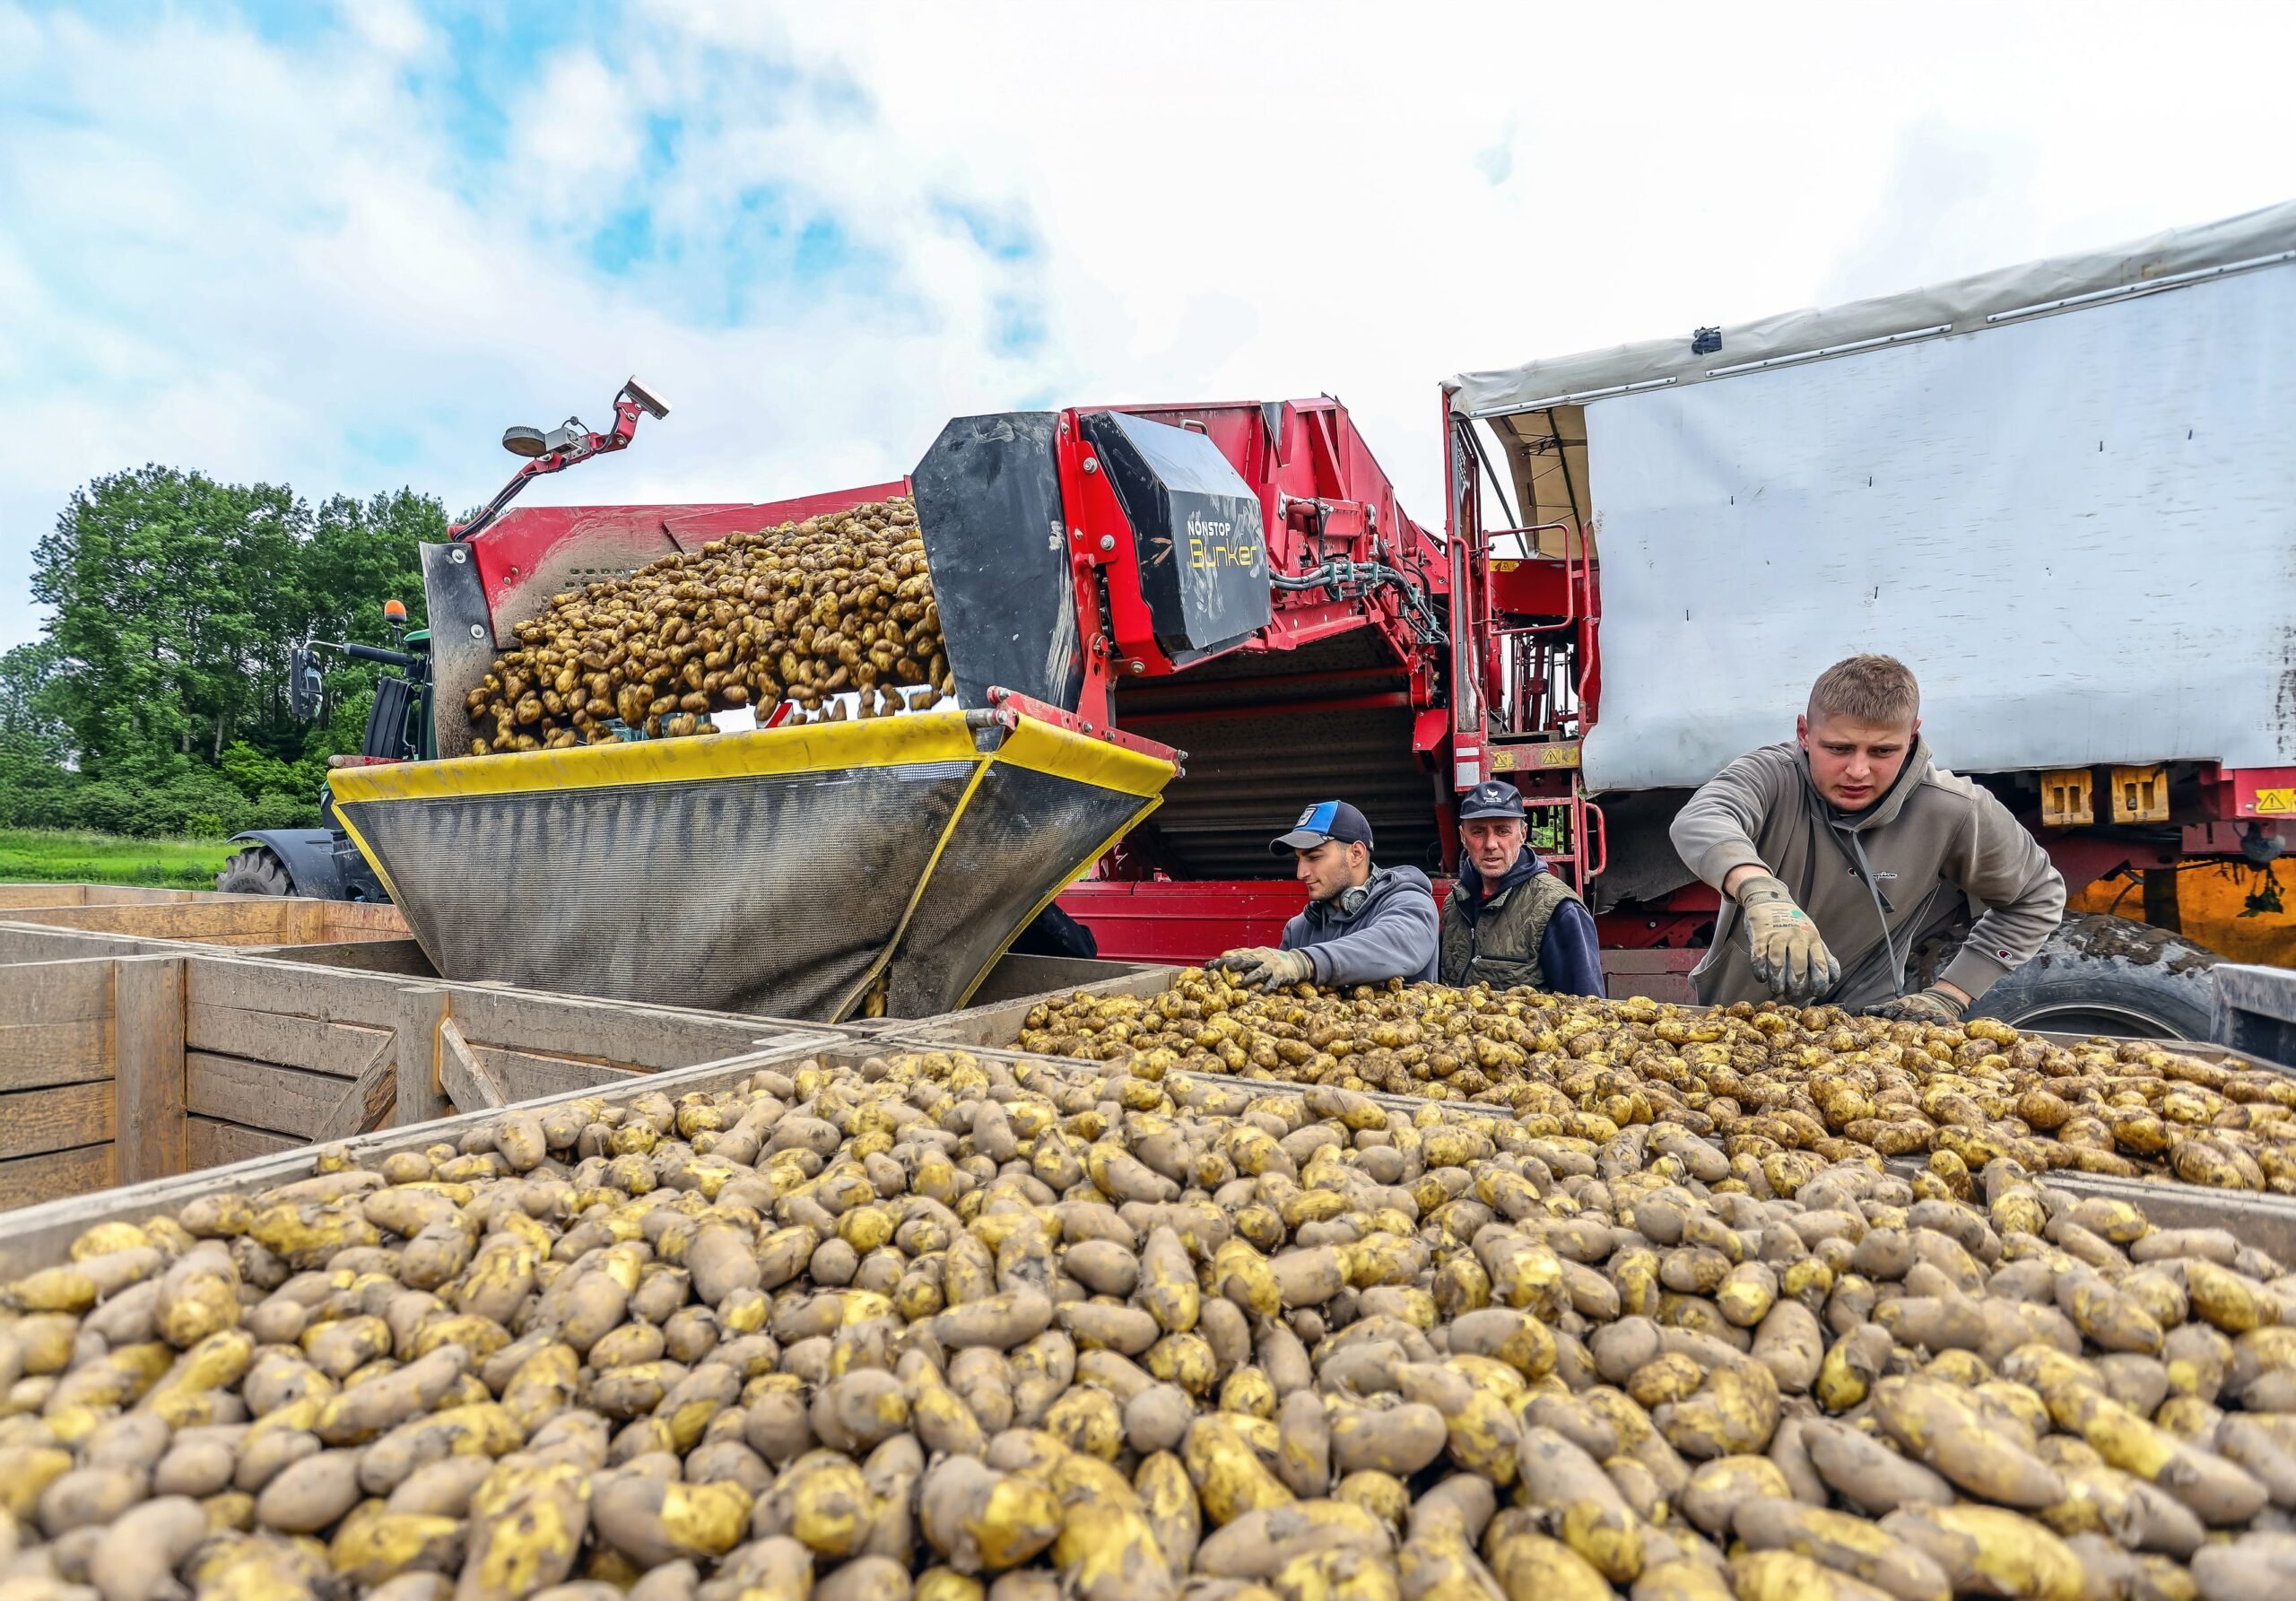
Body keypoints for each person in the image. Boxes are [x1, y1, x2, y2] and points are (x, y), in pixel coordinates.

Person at [1670, 654, 2066, 1021]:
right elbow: (1702, 817)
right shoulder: (1770, 776)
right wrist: (1759, 890)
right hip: (1738, 1023)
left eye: (1882, 751)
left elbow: (2037, 896)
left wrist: (1952, 993)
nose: (1858, 771)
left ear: (1912, 737)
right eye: (1839, 748)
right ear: (1804, 733)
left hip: (1865, 1039)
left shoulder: (1954, 810)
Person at [1212, 800, 1439, 989]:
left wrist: (1305, 962)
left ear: (1356, 854)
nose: (1301, 873)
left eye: (1314, 857)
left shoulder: (1410, 902)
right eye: (1298, 859)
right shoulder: (1299, 929)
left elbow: (1393, 941)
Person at [1439, 780, 1605, 996]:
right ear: (1463, 837)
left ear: (1523, 834)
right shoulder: (1455, 905)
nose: (1490, 844)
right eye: (1478, 832)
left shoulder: (1559, 910)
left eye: (1502, 831)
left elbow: (1588, 1010)